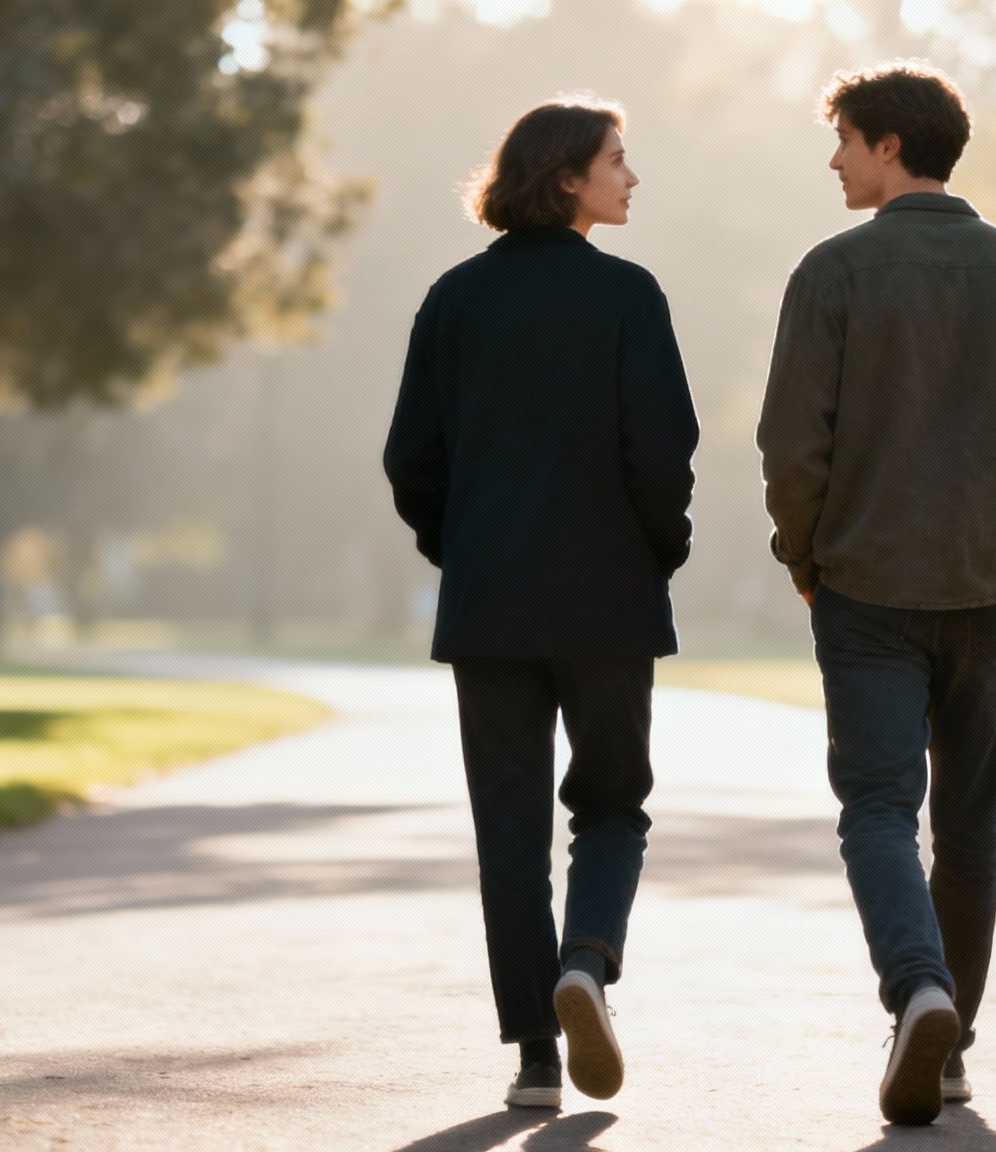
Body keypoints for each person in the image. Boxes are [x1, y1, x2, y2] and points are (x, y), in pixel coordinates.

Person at [756, 62, 996, 1127]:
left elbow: (790, 447)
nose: (833, 160)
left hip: (864, 586)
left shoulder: (831, 273)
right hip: (985, 589)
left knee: (874, 806)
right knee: (967, 820)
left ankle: (917, 992)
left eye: (844, 140)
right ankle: (949, 1049)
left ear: (889, 145)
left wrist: (803, 557)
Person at [382, 95, 699, 1112]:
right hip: (607, 597)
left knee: (507, 830)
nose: (630, 176)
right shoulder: (627, 297)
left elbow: (411, 461)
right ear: (565, 177)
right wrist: (659, 551)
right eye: (617, 160)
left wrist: (461, 548)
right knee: (610, 804)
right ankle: (586, 964)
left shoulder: (451, 300)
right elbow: (661, 457)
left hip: (489, 605)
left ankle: (532, 1057)